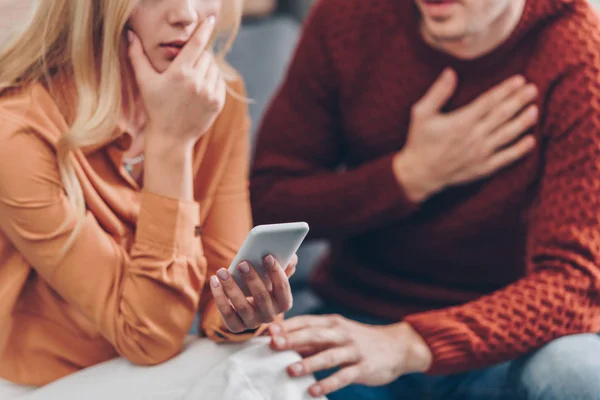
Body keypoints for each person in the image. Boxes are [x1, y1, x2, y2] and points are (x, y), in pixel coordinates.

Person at [251, 0, 600, 398]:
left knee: (576, 374)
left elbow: (576, 283)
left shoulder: (577, 53)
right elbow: (268, 202)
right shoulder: (348, 16)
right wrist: (408, 177)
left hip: (508, 340)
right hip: (358, 319)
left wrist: (411, 343)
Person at [0, 0, 322, 399]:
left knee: (272, 359)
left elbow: (217, 298)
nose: (185, 14)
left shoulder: (215, 97)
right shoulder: (15, 132)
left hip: (149, 369)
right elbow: (148, 338)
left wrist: (243, 314)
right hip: (38, 384)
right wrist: (172, 144)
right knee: (269, 373)